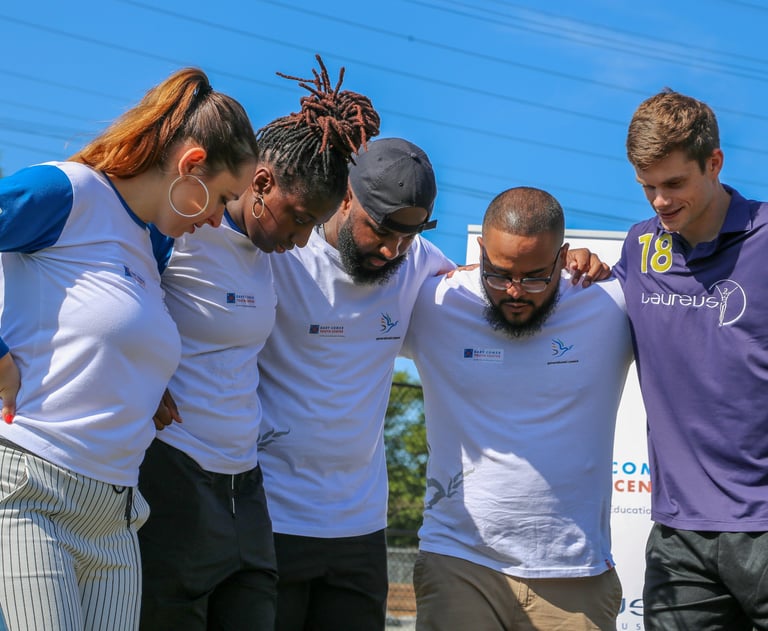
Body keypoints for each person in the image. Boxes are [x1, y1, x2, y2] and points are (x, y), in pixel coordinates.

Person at [256, 139, 610, 631]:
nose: (392, 250)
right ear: (346, 196)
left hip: (359, 531)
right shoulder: (280, 253)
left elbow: (486, 283)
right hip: (268, 517)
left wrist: (570, 265)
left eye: (409, 236)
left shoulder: (418, 264)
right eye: (382, 230)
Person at [0, 69, 258, 630]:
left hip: (117, 516)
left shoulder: (151, 241)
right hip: (31, 492)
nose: (218, 219)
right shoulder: (65, 193)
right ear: (191, 165)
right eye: (221, 198)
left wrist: (143, 382)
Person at [136, 56, 380, 631]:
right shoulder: (182, 227)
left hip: (244, 482)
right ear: (262, 184)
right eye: (298, 219)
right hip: (172, 468)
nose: (301, 240)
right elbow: (103, 302)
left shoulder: (273, 256)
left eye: (314, 226)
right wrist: (138, 376)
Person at [400, 186, 633, 631]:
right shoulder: (437, 302)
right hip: (459, 563)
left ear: (563, 257)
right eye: (499, 273)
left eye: (534, 277)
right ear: (480, 252)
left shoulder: (610, 304)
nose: (514, 291)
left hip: (576, 576)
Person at [615, 89, 768, 630]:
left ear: (715, 163)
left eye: (674, 184)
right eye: (648, 186)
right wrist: (580, 265)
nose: (660, 201)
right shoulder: (640, 248)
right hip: (680, 538)